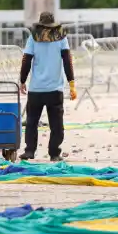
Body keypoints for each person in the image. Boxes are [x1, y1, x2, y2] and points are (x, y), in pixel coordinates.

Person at [19, 12, 77, 161]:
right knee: (57, 125)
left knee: (32, 122)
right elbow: (67, 61)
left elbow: (26, 60)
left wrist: (22, 81)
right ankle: (54, 153)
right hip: (55, 89)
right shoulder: (61, 37)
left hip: (36, 89)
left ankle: (30, 151)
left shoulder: (33, 37)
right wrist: (72, 84)